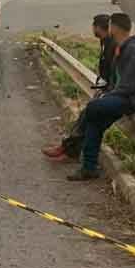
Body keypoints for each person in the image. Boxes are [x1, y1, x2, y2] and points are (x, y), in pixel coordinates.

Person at [67, 12, 135, 181]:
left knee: (93, 107)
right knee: (95, 121)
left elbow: (128, 86)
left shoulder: (132, 50)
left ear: (114, 28)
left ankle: (72, 145)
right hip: (120, 96)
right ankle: (89, 168)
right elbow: (115, 80)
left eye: (110, 25)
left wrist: (108, 95)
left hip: (129, 99)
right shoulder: (122, 47)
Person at [42, 14, 117, 161]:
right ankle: (69, 150)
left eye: (93, 26)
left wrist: (108, 91)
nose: (92, 29)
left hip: (112, 92)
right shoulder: (105, 42)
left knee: (87, 117)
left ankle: (68, 150)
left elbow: (115, 72)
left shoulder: (112, 45)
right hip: (107, 89)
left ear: (98, 27)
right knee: (85, 117)